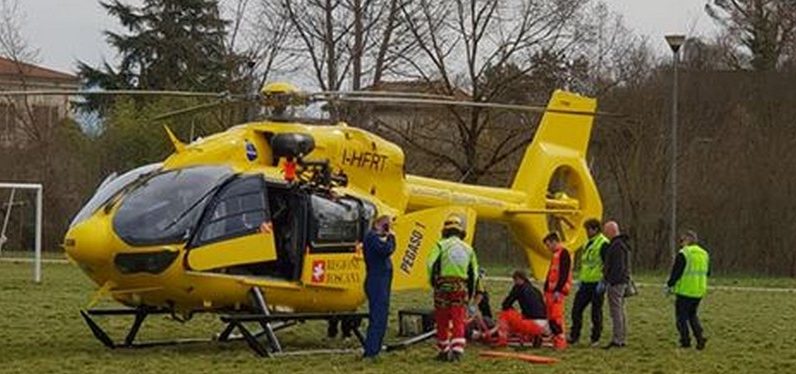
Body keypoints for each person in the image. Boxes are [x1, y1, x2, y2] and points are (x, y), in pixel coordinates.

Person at [427, 213, 480, 362]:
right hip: (461, 287)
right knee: (458, 318)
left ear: (445, 230)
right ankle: (457, 350)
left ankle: (443, 350)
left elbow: (431, 265)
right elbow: (474, 273)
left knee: (442, 318)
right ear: (460, 232)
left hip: (442, 287)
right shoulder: (468, 249)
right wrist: (470, 292)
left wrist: (434, 283)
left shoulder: (440, 245)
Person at [666, 230, 710, 350]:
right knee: (692, 315)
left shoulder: (684, 254)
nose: (680, 243)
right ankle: (700, 338)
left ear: (687, 241)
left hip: (685, 291)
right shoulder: (704, 254)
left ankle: (685, 341)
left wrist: (669, 284)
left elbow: (676, 272)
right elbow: (708, 272)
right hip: (699, 290)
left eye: (682, 240)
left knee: (681, 318)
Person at [569, 218, 609, 346]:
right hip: (586, 282)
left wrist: (603, 281)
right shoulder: (587, 243)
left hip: (597, 282)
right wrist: (581, 279)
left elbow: (607, 264)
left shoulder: (603, 243)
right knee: (576, 310)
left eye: (588, 229)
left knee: (595, 312)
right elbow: (585, 264)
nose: (586, 232)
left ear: (595, 229)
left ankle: (595, 338)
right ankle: (574, 336)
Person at [362, 215, 396, 359]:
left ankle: (374, 348)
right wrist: (391, 238)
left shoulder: (373, 238)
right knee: (378, 316)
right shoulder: (371, 238)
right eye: (386, 226)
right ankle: (371, 350)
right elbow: (386, 250)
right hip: (377, 281)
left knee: (381, 316)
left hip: (380, 281)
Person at [495, 270, 548, 347]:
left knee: (506, 313)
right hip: (544, 323)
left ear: (518, 279)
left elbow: (506, 304)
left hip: (531, 323)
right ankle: (535, 334)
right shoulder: (535, 289)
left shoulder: (518, 288)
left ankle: (503, 337)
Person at [602, 220, 630, 349]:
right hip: (621, 281)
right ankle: (621, 337)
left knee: (616, 311)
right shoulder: (620, 244)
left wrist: (608, 280)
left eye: (606, 231)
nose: (605, 233)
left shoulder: (616, 246)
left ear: (612, 231)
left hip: (616, 282)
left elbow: (617, 267)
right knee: (620, 310)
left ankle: (617, 339)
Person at [542, 232, 572, 350]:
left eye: (548, 244)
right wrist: (546, 288)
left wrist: (558, 291)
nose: (548, 248)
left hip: (557, 292)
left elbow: (564, 273)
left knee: (556, 317)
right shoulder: (555, 255)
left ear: (554, 242)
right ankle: (555, 339)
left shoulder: (563, 253)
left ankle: (560, 341)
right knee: (550, 316)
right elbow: (552, 273)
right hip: (551, 291)